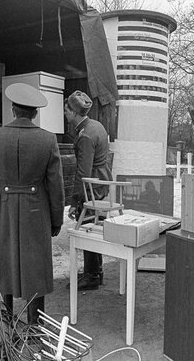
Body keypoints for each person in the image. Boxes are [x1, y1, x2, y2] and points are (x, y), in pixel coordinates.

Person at [0, 82, 64, 324]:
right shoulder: (48, 140)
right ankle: (36, 326)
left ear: (13, 109)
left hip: (2, 209)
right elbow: (56, 185)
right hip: (36, 211)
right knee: (35, 265)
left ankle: (6, 324)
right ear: (34, 113)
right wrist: (57, 219)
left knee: (3, 265)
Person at [64, 90, 111, 291]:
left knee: (89, 227)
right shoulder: (96, 126)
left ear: (74, 113)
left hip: (92, 186)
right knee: (94, 225)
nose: (65, 113)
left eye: (66, 110)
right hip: (101, 182)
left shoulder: (85, 136)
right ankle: (95, 271)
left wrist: (75, 202)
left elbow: (82, 173)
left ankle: (92, 275)